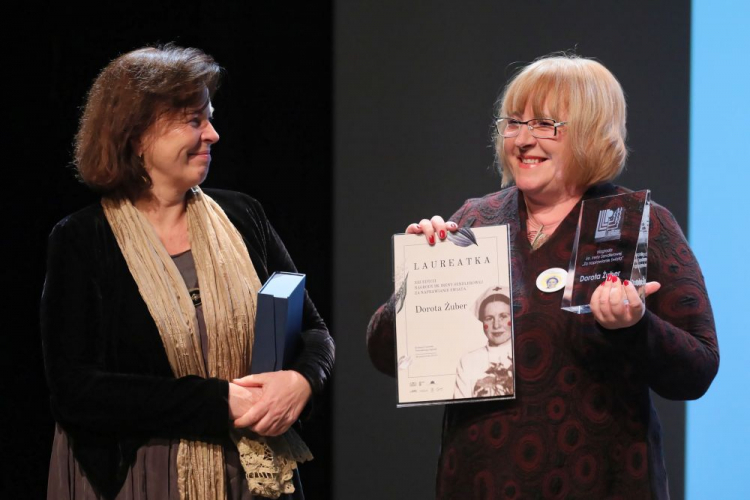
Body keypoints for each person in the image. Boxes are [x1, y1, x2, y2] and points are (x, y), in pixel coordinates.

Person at [366, 54, 718, 499]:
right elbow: (384, 354)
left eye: (547, 124)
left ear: (591, 133)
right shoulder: (476, 221)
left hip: (603, 484)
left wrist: (635, 326)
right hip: (480, 484)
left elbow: (699, 368)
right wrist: (419, 278)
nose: (524, 139)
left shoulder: (638, 223)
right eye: (514, 122)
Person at [41, 45, 335, 500]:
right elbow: (76, 391)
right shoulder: (82, 239)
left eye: (209, 117)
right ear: (136, 135)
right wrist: (217, 403)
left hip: (253, 475)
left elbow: (314, 333)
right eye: (194, 121)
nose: (213, 134)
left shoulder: (244, 215)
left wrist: (301, 382)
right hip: (144, 478)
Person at [454, 287, 514, 399]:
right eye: (489, 318)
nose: (496, 325)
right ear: (482, 321)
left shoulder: (527, 353)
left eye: (503, 316)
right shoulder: (468, 361)